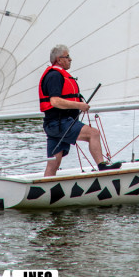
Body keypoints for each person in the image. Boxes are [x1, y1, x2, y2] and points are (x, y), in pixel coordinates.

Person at [39, 44, 122, 177]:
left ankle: (44, 190)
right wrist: (79, 106)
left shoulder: (56, 74)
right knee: (93, 134)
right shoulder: (55, 76)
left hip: (54, 124)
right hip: (59, 123)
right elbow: (55, 101)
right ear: (59, 60)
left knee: (53, 164)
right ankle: (102, 166)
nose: (70, 59)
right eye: (67, 57)